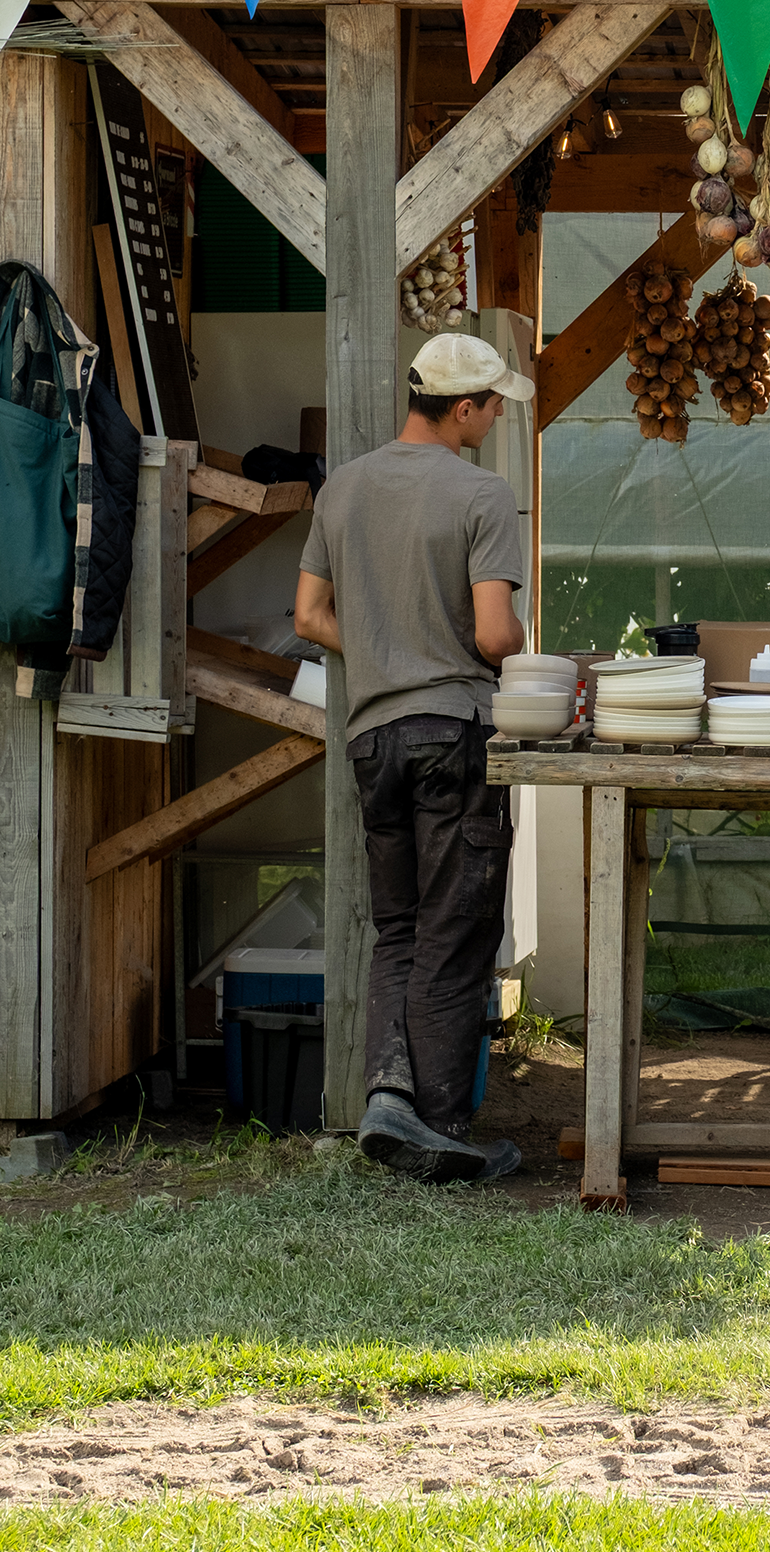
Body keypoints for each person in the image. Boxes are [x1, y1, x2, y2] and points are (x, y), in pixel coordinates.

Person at [294, 330, 535, 1184]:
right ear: (461, 408)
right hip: (452, 733)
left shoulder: (345, 488)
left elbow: (309, 615)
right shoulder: (480, 494)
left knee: (397, 926)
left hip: (371, 736)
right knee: (455, 927)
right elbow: (494, 633)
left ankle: (388, 1099)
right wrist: (542, 667)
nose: (499, 412)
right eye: (492, 401)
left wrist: (386, 654)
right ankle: (438, 1126)